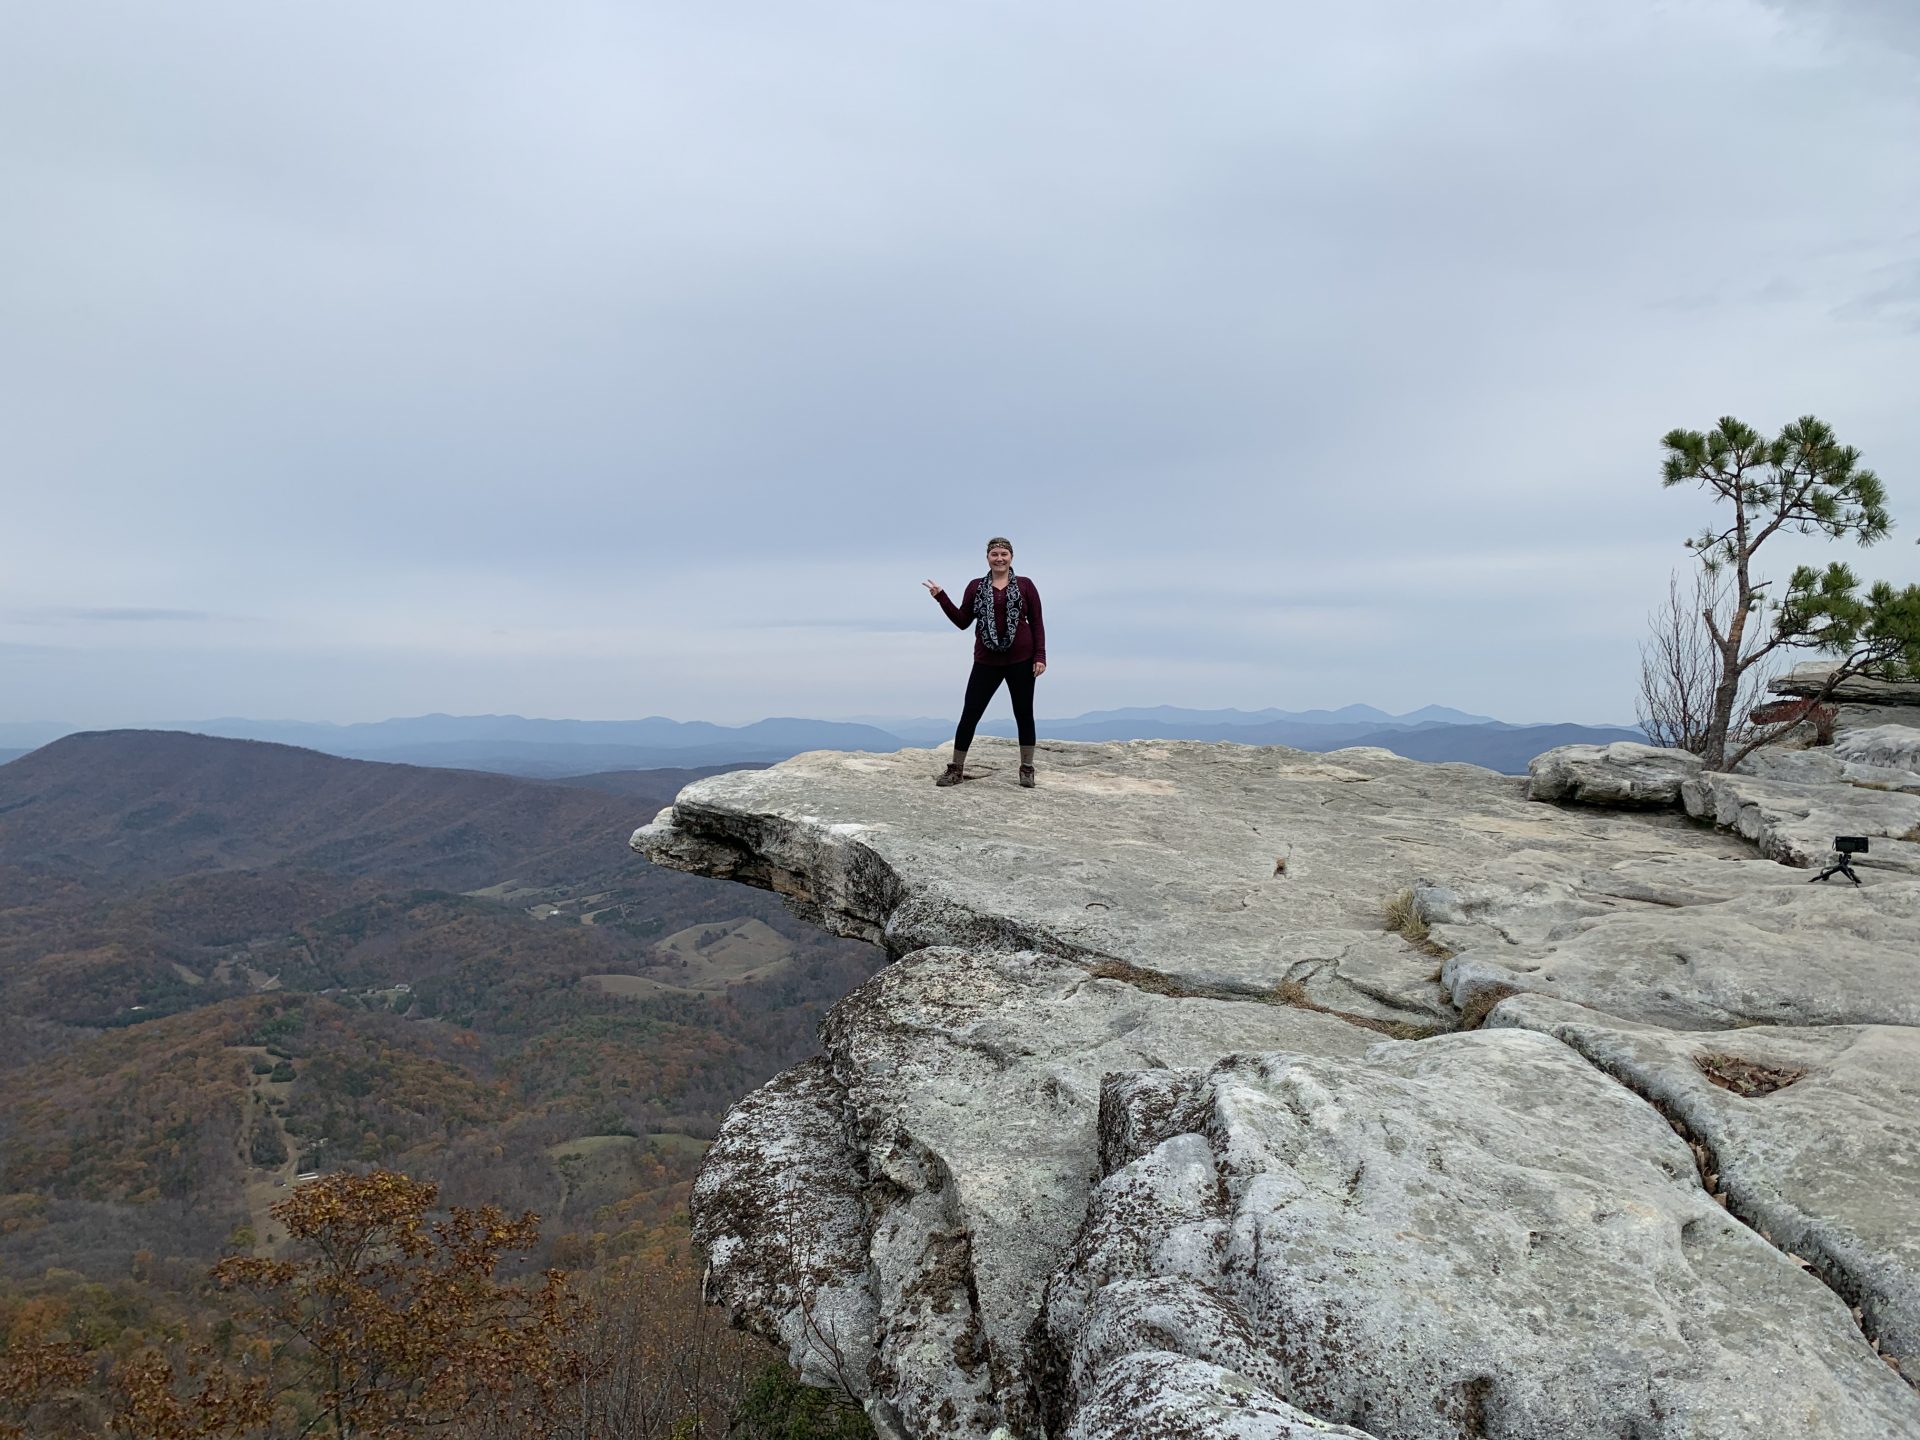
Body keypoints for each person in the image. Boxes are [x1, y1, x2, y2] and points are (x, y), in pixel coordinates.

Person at [923, 537, 1047, 788]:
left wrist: (1040, 656)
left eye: (1004, 554)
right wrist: (941, 597)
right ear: (987, 558)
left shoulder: (1025, 585)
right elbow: (962, 621)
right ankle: (956, 769)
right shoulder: (976, 587)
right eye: (994, 554)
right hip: (986, 660)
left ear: (1011, 556)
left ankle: (1026, 768)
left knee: (1024, 714)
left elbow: (1036, 621)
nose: (999, 558)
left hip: (1021, 660)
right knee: (970, 713)